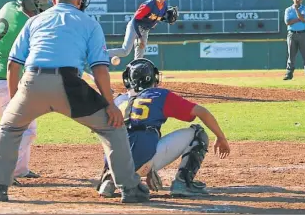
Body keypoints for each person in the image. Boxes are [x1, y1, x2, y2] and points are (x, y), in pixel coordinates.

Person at [0, 0, 150, 203]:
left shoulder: (35, 21)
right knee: (113, 128)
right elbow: (100, 68)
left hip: (31, 83)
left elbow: (13, 64)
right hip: (70, 86)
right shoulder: (89, 23)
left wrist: (15, 102)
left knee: (9, 128)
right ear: (79, 0)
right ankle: (129, 188)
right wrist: (110, 105)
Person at [96, 58, 231, 198]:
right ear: (153, 78)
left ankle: (109, 179)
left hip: (115, 164)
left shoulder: (117, 101)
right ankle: (183, 183)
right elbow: (201, 112)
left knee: (117, 136)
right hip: (143, 162)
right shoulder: (159, 95)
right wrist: (221, 137)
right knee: (198, 132)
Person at [0, 0, 52, 183]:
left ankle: (19, 169)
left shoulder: (9, 7)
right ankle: (1, 170)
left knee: (22, 126)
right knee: (22, 128)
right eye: (42, 1)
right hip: (1, 83)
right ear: (33, 3)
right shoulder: (25, 26)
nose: (46, 5)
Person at [108, 0, 173, 61]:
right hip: (134, 27)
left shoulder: (164, 7)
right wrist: (140, 37)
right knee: (125, 51)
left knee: (139, 56)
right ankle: (103, 53)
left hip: (145, 30)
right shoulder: (147, 6)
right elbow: (135, 20)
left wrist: (166, 20)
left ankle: (135, 71)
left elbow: (157, 17)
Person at [283, 0, 305, 81]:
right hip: (292, 34)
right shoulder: (288, 10)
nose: (297, 0)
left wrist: (297, 11)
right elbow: (287, 22)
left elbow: (303, 19)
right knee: (291, 55)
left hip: (303, 34)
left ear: (302, 0)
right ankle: (289, 74)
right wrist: (299, 19)